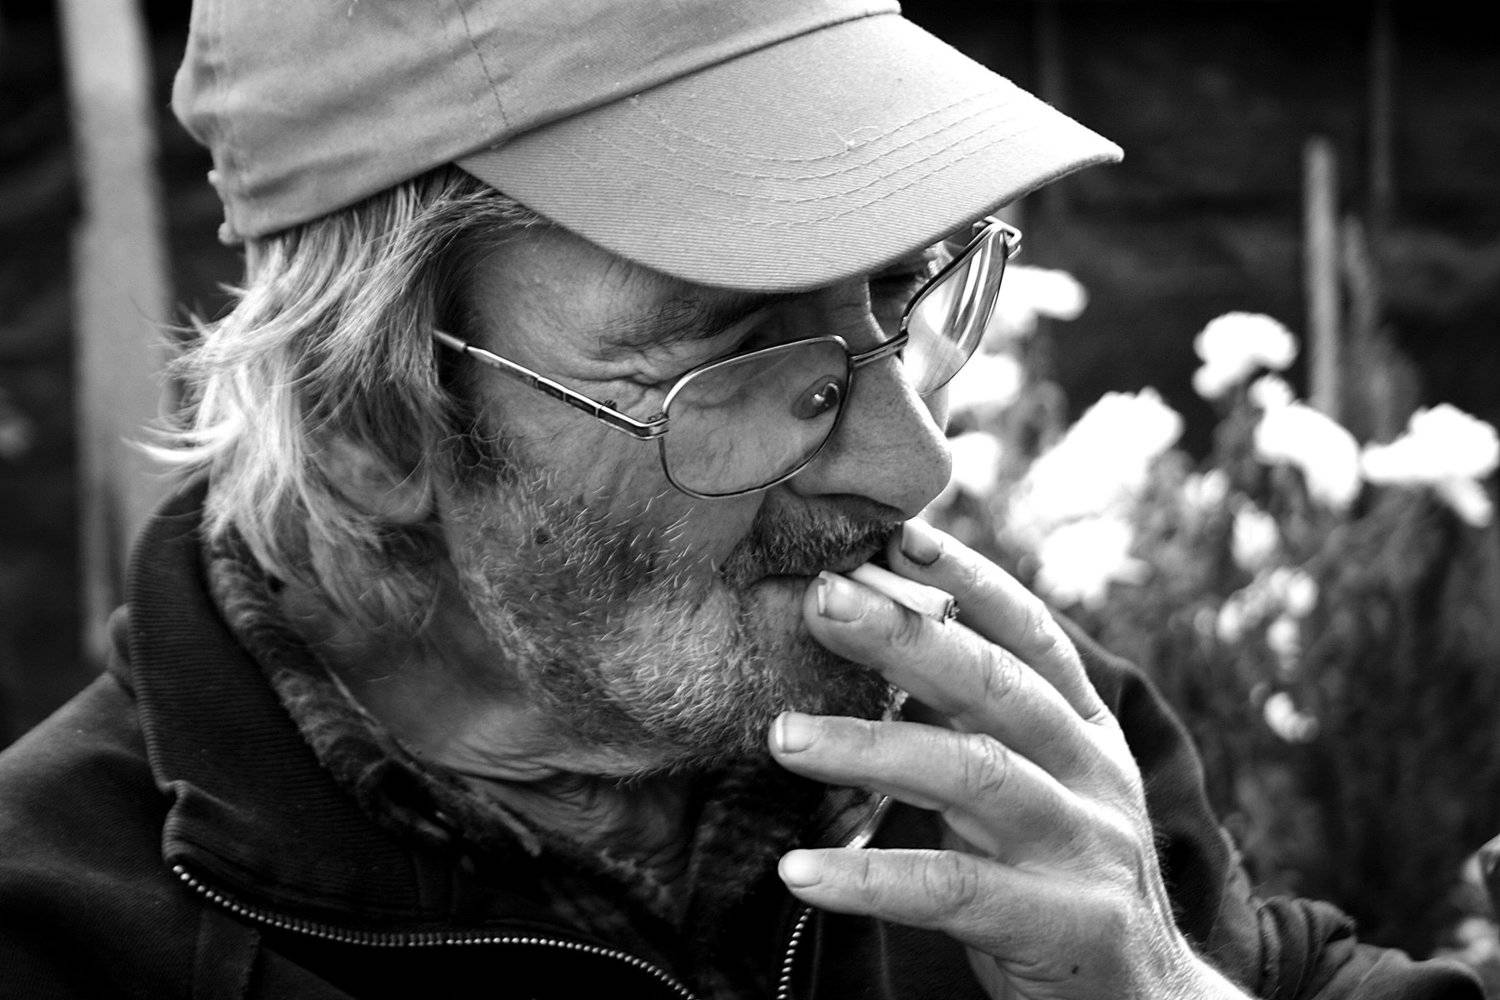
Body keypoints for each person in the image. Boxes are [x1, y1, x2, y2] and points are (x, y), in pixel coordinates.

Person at [0, 1, 1483, 997]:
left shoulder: (1003, 765)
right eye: (742, 354)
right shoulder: (64, 933)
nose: (915, 465)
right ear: (371, 422)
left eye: (902, 291)